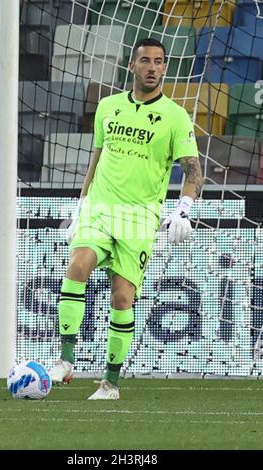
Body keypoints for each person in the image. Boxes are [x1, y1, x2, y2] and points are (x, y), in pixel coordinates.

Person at [49, 37, 203, 399]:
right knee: (77, 265)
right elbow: (96, 159)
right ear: (132, 66)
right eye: (146, 60)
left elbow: (194, 171)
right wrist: (80, 207)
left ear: (165, 68)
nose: (153, 67)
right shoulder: (107, 107)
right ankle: (66, 361)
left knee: (122, 298)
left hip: (140, 216)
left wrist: (184, 209)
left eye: (159, 62)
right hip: (100, 209)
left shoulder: (176, 116)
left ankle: (111, 382)